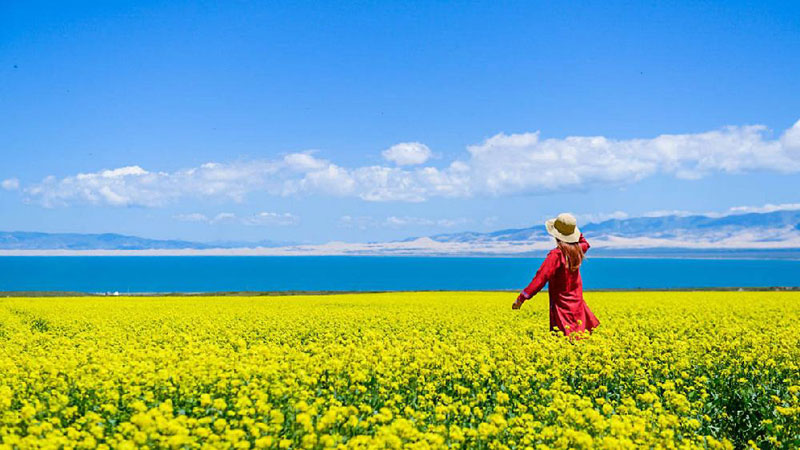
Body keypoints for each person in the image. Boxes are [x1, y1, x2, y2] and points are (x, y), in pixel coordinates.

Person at [512, 213, 600, 336]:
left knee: (564, 339)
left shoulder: (556, 255)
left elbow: (540, 278)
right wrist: (572, 230)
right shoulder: (579, 249)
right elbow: (585, 242)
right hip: (578, 307)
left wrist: (522, 298)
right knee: (579, 339)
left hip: (562, 308)